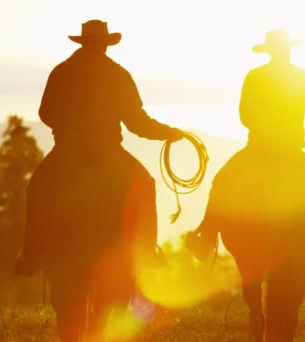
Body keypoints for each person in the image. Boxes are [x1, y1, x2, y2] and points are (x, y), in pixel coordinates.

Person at [15, 19, 183, 341]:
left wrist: (69, 124)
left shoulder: (62, 71)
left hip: (67, 150)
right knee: (145, 184)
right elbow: (137, 122)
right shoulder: (118, 74)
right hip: (109, 152)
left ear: (83, 42)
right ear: (105, 43)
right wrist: (169, 134)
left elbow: (45, 112)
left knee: (38, 187)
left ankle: (31, 252)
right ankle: (147, 250)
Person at [188, 29, 305, 341]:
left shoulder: (255, 76)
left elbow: (244, 115)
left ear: (269, 51)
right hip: (289, 150)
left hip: (257, 146)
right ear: (287, 50)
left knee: (223, 181)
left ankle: (205, 233)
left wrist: (263, 121)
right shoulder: (303, 76)